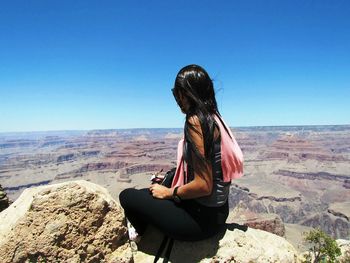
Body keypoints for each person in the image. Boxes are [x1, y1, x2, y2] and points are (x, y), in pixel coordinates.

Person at [119, 64, 243, 243]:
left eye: (178, 93)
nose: (177, 99)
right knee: (153, 190)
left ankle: (143, 236)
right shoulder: (215, 117)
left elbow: (204, 185)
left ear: (189, 93)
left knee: (128, 196)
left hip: (201, 220)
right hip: (219, 211)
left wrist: (169, 193)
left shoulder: (195, 121)